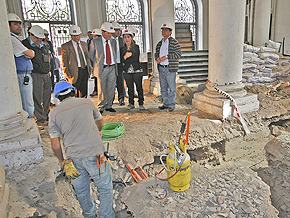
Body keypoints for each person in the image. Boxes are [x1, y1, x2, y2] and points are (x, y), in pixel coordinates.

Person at [49, 81, 114, 218]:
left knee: (82, 191)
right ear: (73, 91)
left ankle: (89, 215)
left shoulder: (53, 114)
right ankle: (106, 216)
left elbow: (55, 144)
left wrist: (62, 161)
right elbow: (100, 122)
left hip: (73, 158)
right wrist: (99, 131)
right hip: (95, 154)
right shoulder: (87, 103)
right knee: (105, 188)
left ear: (58, 98)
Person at [22, 25, 51, 125]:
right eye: (37, 38)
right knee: (37, 98)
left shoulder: (43, 45)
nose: (39, 40)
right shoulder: (25, 45)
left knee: (47, 97)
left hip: (46, 73)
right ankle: (40, 119)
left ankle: (47, 115)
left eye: (41, 38)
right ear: (31, 35)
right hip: (36, 74)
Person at [8, 13, 35, 119]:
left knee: (28, 102)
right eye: (15, 24)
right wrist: (30, 52)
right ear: (8, 26)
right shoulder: (12, 39)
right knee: (27, 103)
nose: (19, 26)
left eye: (19, 24)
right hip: (21, 75)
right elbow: (30, 54)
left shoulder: (16, 38)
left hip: (25, 74)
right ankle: (29, 123)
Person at [89, 22, 117, 114]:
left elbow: (114, 54)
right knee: (102, 88)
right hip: (102, 68)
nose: (110, 35)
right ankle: (101, 106)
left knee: (111, 88)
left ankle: (109, 105)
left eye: (111, 33)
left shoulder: (113, 41)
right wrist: (98, 63)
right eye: (108, 33)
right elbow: (91, 55)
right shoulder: (95, 42)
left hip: (112, 68)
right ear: (103, 32)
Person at [155, 22, 182, 112]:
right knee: (163, 87)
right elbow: (156, 53)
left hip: (170, 68)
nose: (164, 31)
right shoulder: (160, 43)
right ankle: (165, 104)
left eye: (166, 30)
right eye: (163, 30)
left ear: (170, 32)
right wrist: (157, 58)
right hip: (161, 68)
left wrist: (166, 57)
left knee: (171, 88)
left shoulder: (174, 42)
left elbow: (178, 54)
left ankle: (171, 104)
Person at [61, 25, 91, 98]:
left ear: (80, 35)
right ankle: (77, 106)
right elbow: (64, 62)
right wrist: (67, 73)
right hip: (74, 71)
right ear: (71, 35)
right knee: (75, 92)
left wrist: (89, 69)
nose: (76, 37)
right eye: (74, 35)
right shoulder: (66, 46)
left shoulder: (84, 44)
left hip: (84, 70)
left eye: (77, 35)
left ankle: (84, 104)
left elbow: (87, 58)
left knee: (84, 90)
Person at [121, 29, 145, 111]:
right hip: (127, 72)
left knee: (139, 87)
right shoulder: (122, 49)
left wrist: (127, 57)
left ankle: (141, 103)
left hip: (137, 71)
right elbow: (121, 60)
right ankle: (131, 103)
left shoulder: (136, 47)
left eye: (128, 37)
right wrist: (125, 57)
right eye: (125, 37)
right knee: (130, 88)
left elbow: (135, 59)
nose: (126, 39)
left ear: (131, 38)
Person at [112, 22, 125, 106]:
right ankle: (110, 99)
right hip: (112, 64)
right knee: (111, 83)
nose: (117, 32)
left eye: (118, 30)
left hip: (120, 64)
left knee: (120, 82)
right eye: (116, 30)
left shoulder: (122, 40)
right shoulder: (108, 41)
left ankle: (121, 98)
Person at [89, 28, 102, 97]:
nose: (93, 37)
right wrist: (97, 62)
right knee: (96, 79)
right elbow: (91, 55)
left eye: (94, 36)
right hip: (96, 65)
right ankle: (96, 90)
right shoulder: (92, 42)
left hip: (102, 66)